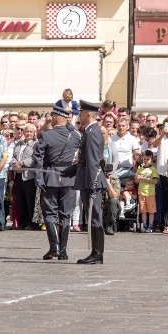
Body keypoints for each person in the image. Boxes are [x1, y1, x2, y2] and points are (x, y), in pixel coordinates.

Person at [31, 106, 80, 260]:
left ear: (55, 117)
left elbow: (37, 159)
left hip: (50, 177)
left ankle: (54, 247)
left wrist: (39, 178)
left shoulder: (46, 135)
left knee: (49, 213)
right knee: (66, 214)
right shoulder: (76, 135)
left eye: (52, 116)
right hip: (69, 177)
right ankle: (63, 251)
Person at [73, 100, 106, 264]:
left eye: (81, 113)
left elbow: (93, 161)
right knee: (92, 216)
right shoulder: (90, 131)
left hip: (91, 180)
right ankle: (96, 252)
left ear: (88, 114)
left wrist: (92, 184)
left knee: (94, 217)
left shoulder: (92, 132)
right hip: (87, 177)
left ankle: (97, 253)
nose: (79, 115)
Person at [11, 123, 38, 230]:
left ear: (34, 133)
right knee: (20, 199)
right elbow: (13, 156)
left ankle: (31, 222)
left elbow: (34, 158)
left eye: (31, 132)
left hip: (29, 177)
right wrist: (14, 163)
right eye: (27, 131)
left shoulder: (36, 144)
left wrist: (21, 163)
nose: (28, 134)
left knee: (29, 200)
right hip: (18, 175)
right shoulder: (19, 144)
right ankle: (23, 221)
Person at [135, 150, 158, 233]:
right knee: (143, 210)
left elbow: (155, 181)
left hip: (150, 193)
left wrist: (144, 179)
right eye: (144, 159)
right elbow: (136, 180)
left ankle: (150, 225)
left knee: (151, 210)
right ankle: (144, 224)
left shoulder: (153, 169)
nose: (146, 161)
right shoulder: (140, 169)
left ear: (151, 159)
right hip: (141, 193)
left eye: (147, 159)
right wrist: (138, 179)